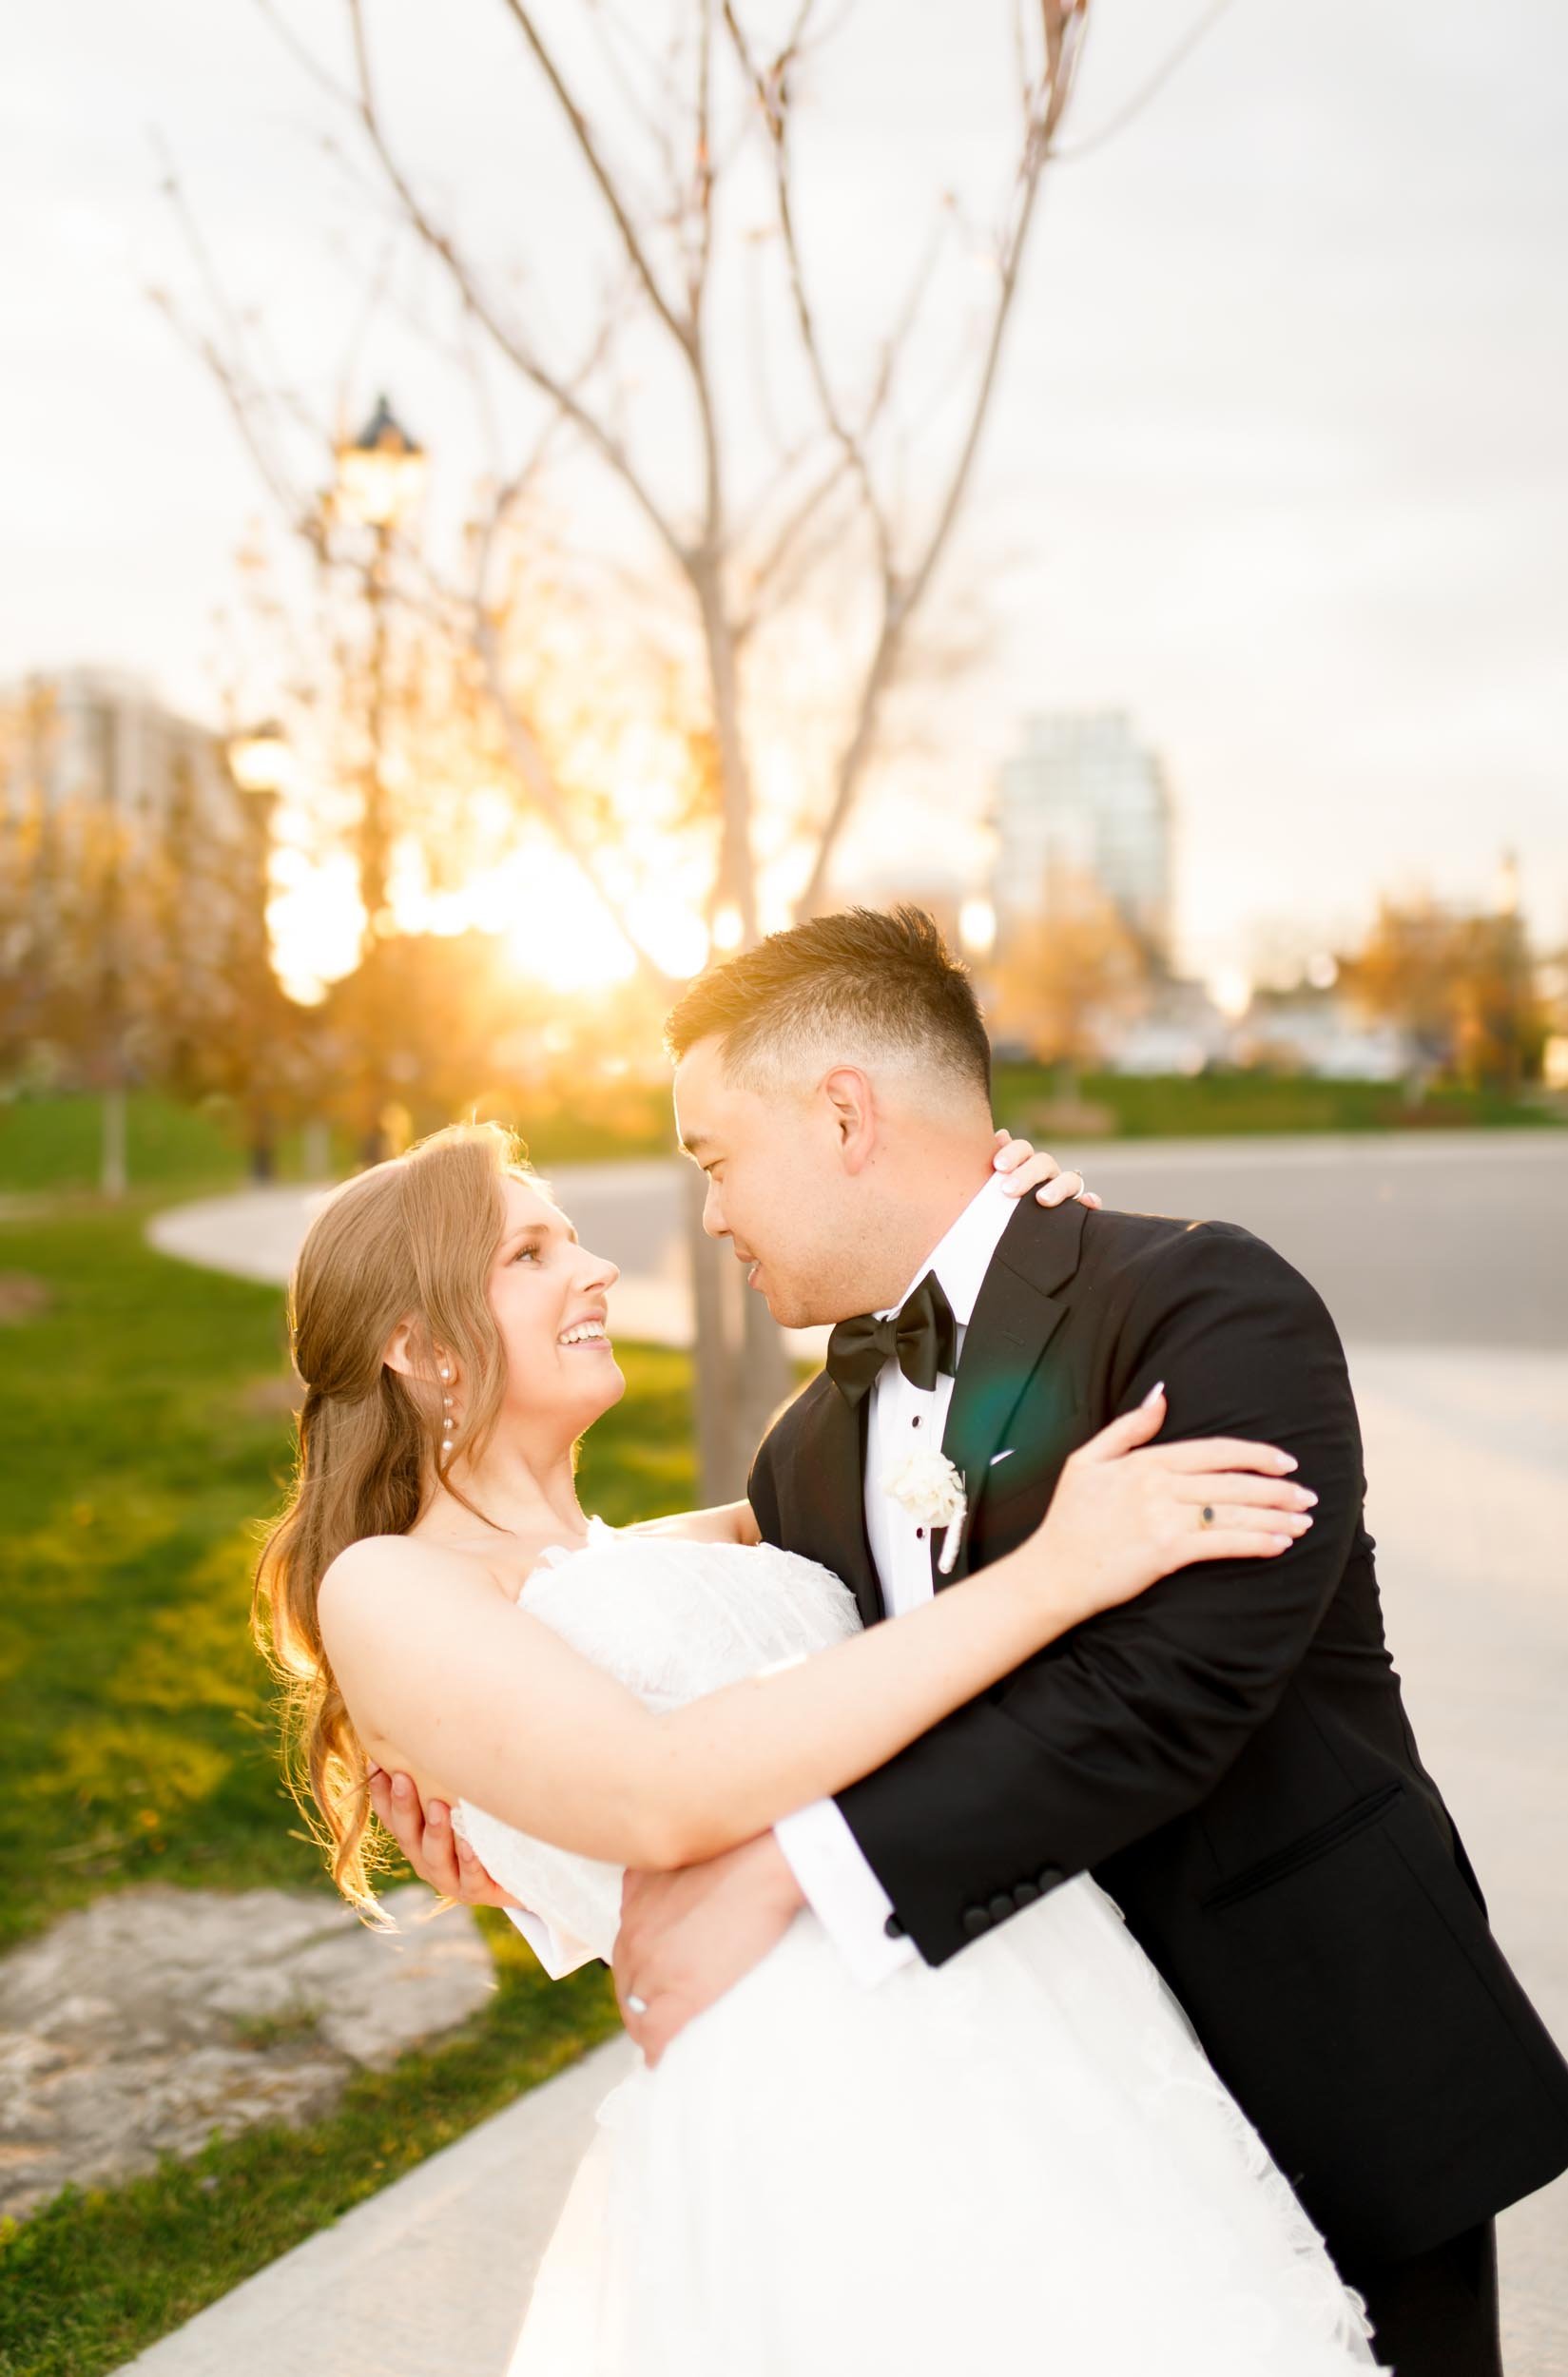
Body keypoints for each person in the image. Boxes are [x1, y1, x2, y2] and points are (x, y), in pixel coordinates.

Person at [387, 906, 1568, 2377]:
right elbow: (764, 1691)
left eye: (712, 1159)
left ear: (841, 1115)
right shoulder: (805, 1452)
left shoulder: (1200, 1306)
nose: (706, 1219)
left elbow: (1166, 1694)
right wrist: (506, 1818)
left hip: (1309, 2054)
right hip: (1042, 2127)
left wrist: (794, 1871)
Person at [259, 1110, 1379, 2374]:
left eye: (570, 1240)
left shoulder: (669, 1549)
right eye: (528, 1254)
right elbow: (656, 1795)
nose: (595, 1270)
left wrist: (1002, 1248)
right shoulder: (390, 1588)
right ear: (417, 1345)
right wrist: (1052, 1579)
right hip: (824, 2109)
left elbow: (941, 1469)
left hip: (1046, 2033)